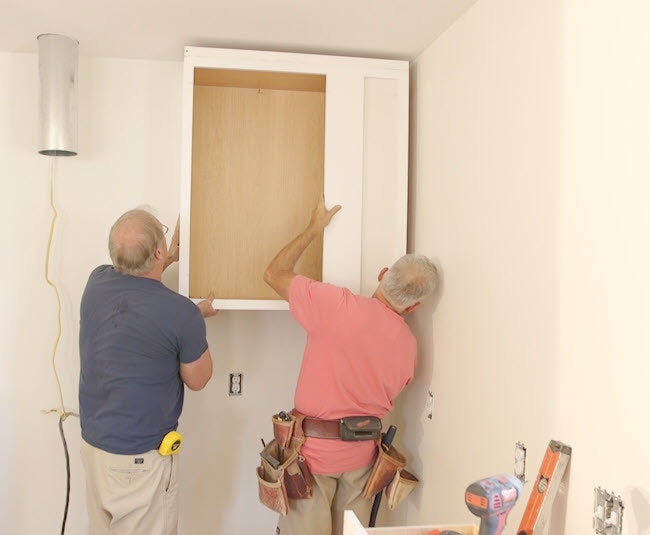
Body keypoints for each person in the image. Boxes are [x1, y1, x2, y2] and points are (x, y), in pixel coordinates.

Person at [263, 195, 439, 535]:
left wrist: (314, 228)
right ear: (414, 307)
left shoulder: (337, 306)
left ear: (383, 275)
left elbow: (274, 273)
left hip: (310, 461)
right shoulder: (409, 347)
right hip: (362, 461)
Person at [78, 207, 218, 535]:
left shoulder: (96, 282)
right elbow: (199, 380)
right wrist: (193, 323)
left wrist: (165, 257)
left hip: (95, 450)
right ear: (158, 251)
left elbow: (138, 290)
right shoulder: (180, 314)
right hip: (139, 462)